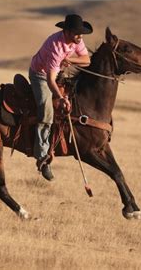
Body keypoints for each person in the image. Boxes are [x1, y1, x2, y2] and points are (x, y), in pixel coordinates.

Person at [29, 14, 93, 180]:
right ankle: (42, 157)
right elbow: (50, 80)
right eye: (77, 33)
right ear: (67, 31)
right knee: (46, 109)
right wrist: (60, 98)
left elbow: (86, 60)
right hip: (40, 75)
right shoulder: (56, 47)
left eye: (81, 32)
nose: (80, 36)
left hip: (58, 72)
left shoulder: (77, 40)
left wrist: (70, 59)